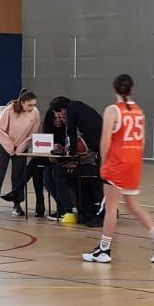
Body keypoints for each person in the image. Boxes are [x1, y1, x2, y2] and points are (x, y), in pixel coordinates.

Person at [82, 75, 154, 264]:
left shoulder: (113, 110)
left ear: (114, 88)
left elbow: (106, 140)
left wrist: (103, 164)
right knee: (132, 204)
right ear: (131, 90)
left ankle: (104, 250)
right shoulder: (138, 111)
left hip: (118, 162)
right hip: (134, 162)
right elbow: (143, 139)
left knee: (111, 207)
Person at [45, 95, 104, 224]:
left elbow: (76, 139)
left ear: (63, 109)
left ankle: (71, 210)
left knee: (59, 173)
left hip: (94, 157)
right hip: (98, 150)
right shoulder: (81, 111)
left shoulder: (73, 114)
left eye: (59, 115)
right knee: (50, 172)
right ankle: (70, 208)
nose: (60, 119)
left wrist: (72, 157)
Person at [0, 90, 40, 217]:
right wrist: (10, 147)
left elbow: (33, 133)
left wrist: (21, 147)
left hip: (21, 149)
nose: (32, 108)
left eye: (34, 105)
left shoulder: (35, 113)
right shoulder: (9, 110)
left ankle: (17, 205)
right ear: (22, 103)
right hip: (3, 146)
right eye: (29, 105)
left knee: (18, 177)